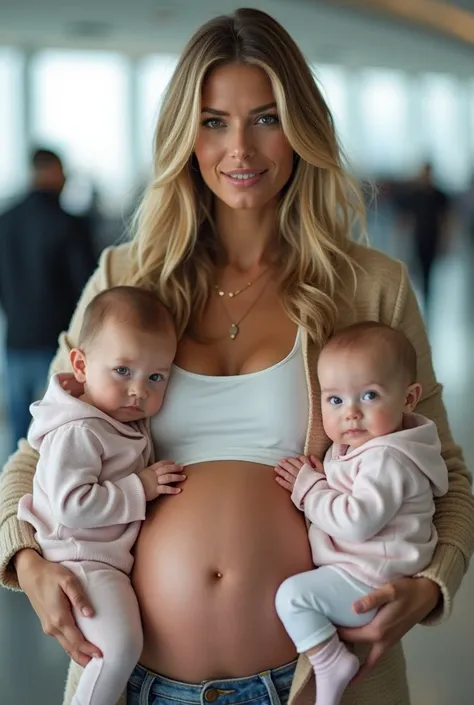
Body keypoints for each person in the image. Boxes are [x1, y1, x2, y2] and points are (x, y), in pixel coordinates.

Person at [0, 9, 473, 705]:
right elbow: (35, 454)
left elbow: (448, 474)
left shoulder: (371, 286)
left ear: (302, 126)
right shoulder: (126, 277)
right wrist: (25, 556)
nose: (240, 149)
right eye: (214, 121)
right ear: (184, 134)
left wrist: (434, 580)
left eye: (266, 117)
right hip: (135, 683)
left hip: (317, 682)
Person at [16, 286, 182, 705]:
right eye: (123, 371)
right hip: (81, 560)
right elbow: (72, 506)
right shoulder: (79, 430)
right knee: (118, 650)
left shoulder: (114, 421)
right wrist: (140, 487)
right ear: (81, 364)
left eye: (156, 377)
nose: (138, 391)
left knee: (116, 651)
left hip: (102, 559)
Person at [274, 322, 448, 705]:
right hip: (363, 572)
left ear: (409, 398)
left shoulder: (387, 457)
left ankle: (330, 661)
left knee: (293, 597)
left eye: (369, 395)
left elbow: (355, 521)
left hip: (369, 581)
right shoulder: (366, 447)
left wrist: (309, 488)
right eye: (335, 400)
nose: (351, 413)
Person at [0, 148, 97, 449]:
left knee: (17, 433)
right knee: (53, 432)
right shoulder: (67, 223)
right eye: (63, 171)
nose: (66, 179)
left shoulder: (5, 221)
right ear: (52, 170)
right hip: (59, 344)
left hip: (15, 339)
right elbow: (87, 288)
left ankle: (8, 492)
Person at [396, 163, 451, 308]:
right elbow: (407, 218)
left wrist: (445, 240)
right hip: (418, 237)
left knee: (429, 268)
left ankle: (427, 295)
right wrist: (401, 238)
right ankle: (419, 295)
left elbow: (443, 220)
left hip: (432, 237)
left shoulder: (439, 195)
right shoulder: (415, 195)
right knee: (417, 266)